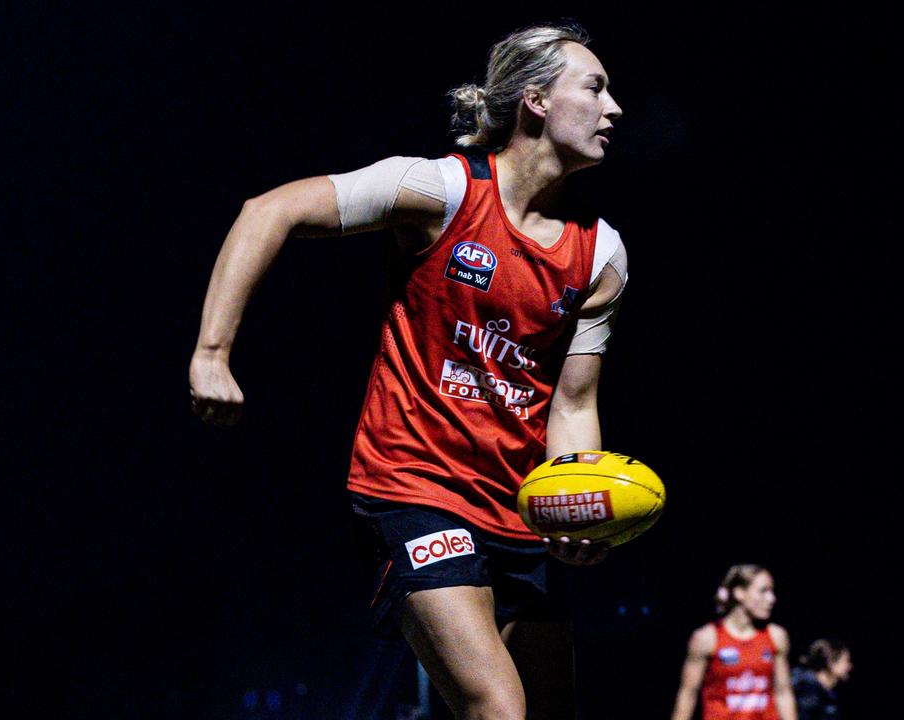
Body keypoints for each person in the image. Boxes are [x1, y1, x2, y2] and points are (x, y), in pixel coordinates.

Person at [188, 22, 626, 720]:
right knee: (498, 707)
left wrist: (576, 509)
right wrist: (212, 353)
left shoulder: (600, 253)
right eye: (596, 88)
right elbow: (267, 212)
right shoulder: (441, 191)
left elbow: (572, 404)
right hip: (414, 486)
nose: (616, 109)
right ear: (536, 101)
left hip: (517, 511)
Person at [672, 565, 798, 720]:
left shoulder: (776, 636)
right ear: (740, 593)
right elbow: (688, 694)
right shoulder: (706, 638)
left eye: (772, 591)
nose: (772, 599)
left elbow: (783, 692)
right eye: (763, 591)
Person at [790, 639, 851, 720]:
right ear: (831, 662)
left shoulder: (824, 694)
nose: (849, 666)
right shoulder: (807, 693)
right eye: (845, 661)